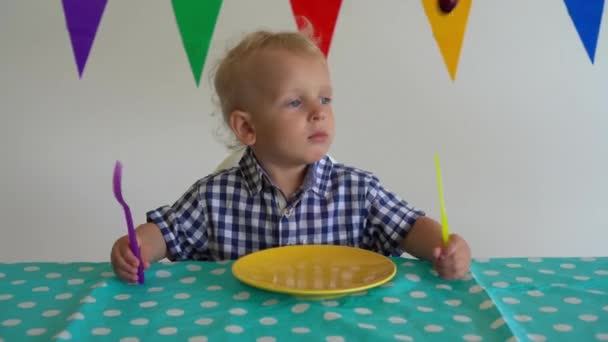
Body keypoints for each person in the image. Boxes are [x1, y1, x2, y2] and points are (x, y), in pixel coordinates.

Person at [111, 26, 471, 283]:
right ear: (247, 128)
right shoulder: (212, 197)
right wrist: (137, 246)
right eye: (296, 102)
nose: (318, 112)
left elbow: (409, 227)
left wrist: (445, 245)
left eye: (325, 99)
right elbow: (165, 233)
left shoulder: (359, 190)